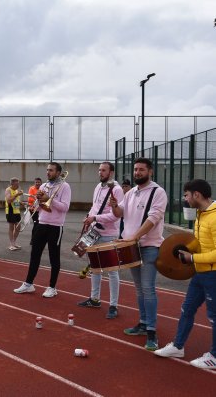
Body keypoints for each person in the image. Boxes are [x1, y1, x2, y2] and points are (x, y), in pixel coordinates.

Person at [154, 179, 216, 369]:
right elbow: (199, 242)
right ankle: (178, 346)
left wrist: (193, 259)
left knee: (214, 316)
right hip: (200, 273)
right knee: (186, 309)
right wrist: (181, 249)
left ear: (196, 194)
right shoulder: (200, 214)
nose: (185, 199)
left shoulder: (214, 216)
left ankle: (214, 356)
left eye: (186, 195)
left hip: (213, 275)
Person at [109, 157, 167, 351]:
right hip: (130, 247)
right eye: (135, 170)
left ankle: (152, 331)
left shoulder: (158, 192)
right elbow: (120, 214)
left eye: (141, 170)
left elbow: (153, 219)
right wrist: (114, 206)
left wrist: (134, 237)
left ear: (150, 171)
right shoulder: (131, 192)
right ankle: (143, 323)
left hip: (149, 247)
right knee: (139, 288)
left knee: (148, 288)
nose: (137, 173)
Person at [14, 162, 71, 297]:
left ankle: (52, 287)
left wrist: (49, 199)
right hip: (41, 223)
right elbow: (39, 207)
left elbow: (65, 207)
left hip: (56, 226)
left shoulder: (65, 186)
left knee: (54, 257)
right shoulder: (44, 186)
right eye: (47, 170)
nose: (48, 172)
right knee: (34, 254)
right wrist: (37, 201)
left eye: (51, 170)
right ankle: (28, 284)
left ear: (58, 172)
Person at [77, 162, 124, 319]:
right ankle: (94, 299)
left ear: (111, 173)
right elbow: (95, 206)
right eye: (99, 170)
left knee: (112, 271)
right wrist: (88, 218)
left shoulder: (116, 190)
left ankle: (113, 305)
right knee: (95, 268)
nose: (100, 172)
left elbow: (115, 215)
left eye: (103, 170)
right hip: (94, 231)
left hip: (109, 234)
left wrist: (94, 217)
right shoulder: (98, 187)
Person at [5, 177, 23, 251]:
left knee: (18, 227)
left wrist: (23, 203)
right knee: (11, 227)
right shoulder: (8, 190)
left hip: (17, 211)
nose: (18, 185)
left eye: (18, 183)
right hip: (10, 211)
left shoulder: (16, 191)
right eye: (17, 183)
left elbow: (16, 201)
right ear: (12, 183)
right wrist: (17, 194)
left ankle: (14, 243)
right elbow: (9, 200)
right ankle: (11, 244)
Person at [28, 178, 42, 245]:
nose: (37, 183)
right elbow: (30, 199)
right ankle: (33, 240)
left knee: (40, 225)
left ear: (41, 183)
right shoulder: (32, 188)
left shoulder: (42, 189)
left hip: (41, 209)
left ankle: (38, 239)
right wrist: (37, 198)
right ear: (34, 183)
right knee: (36, 224)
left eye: (39, 182)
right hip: (33, 209)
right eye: (36, 182)